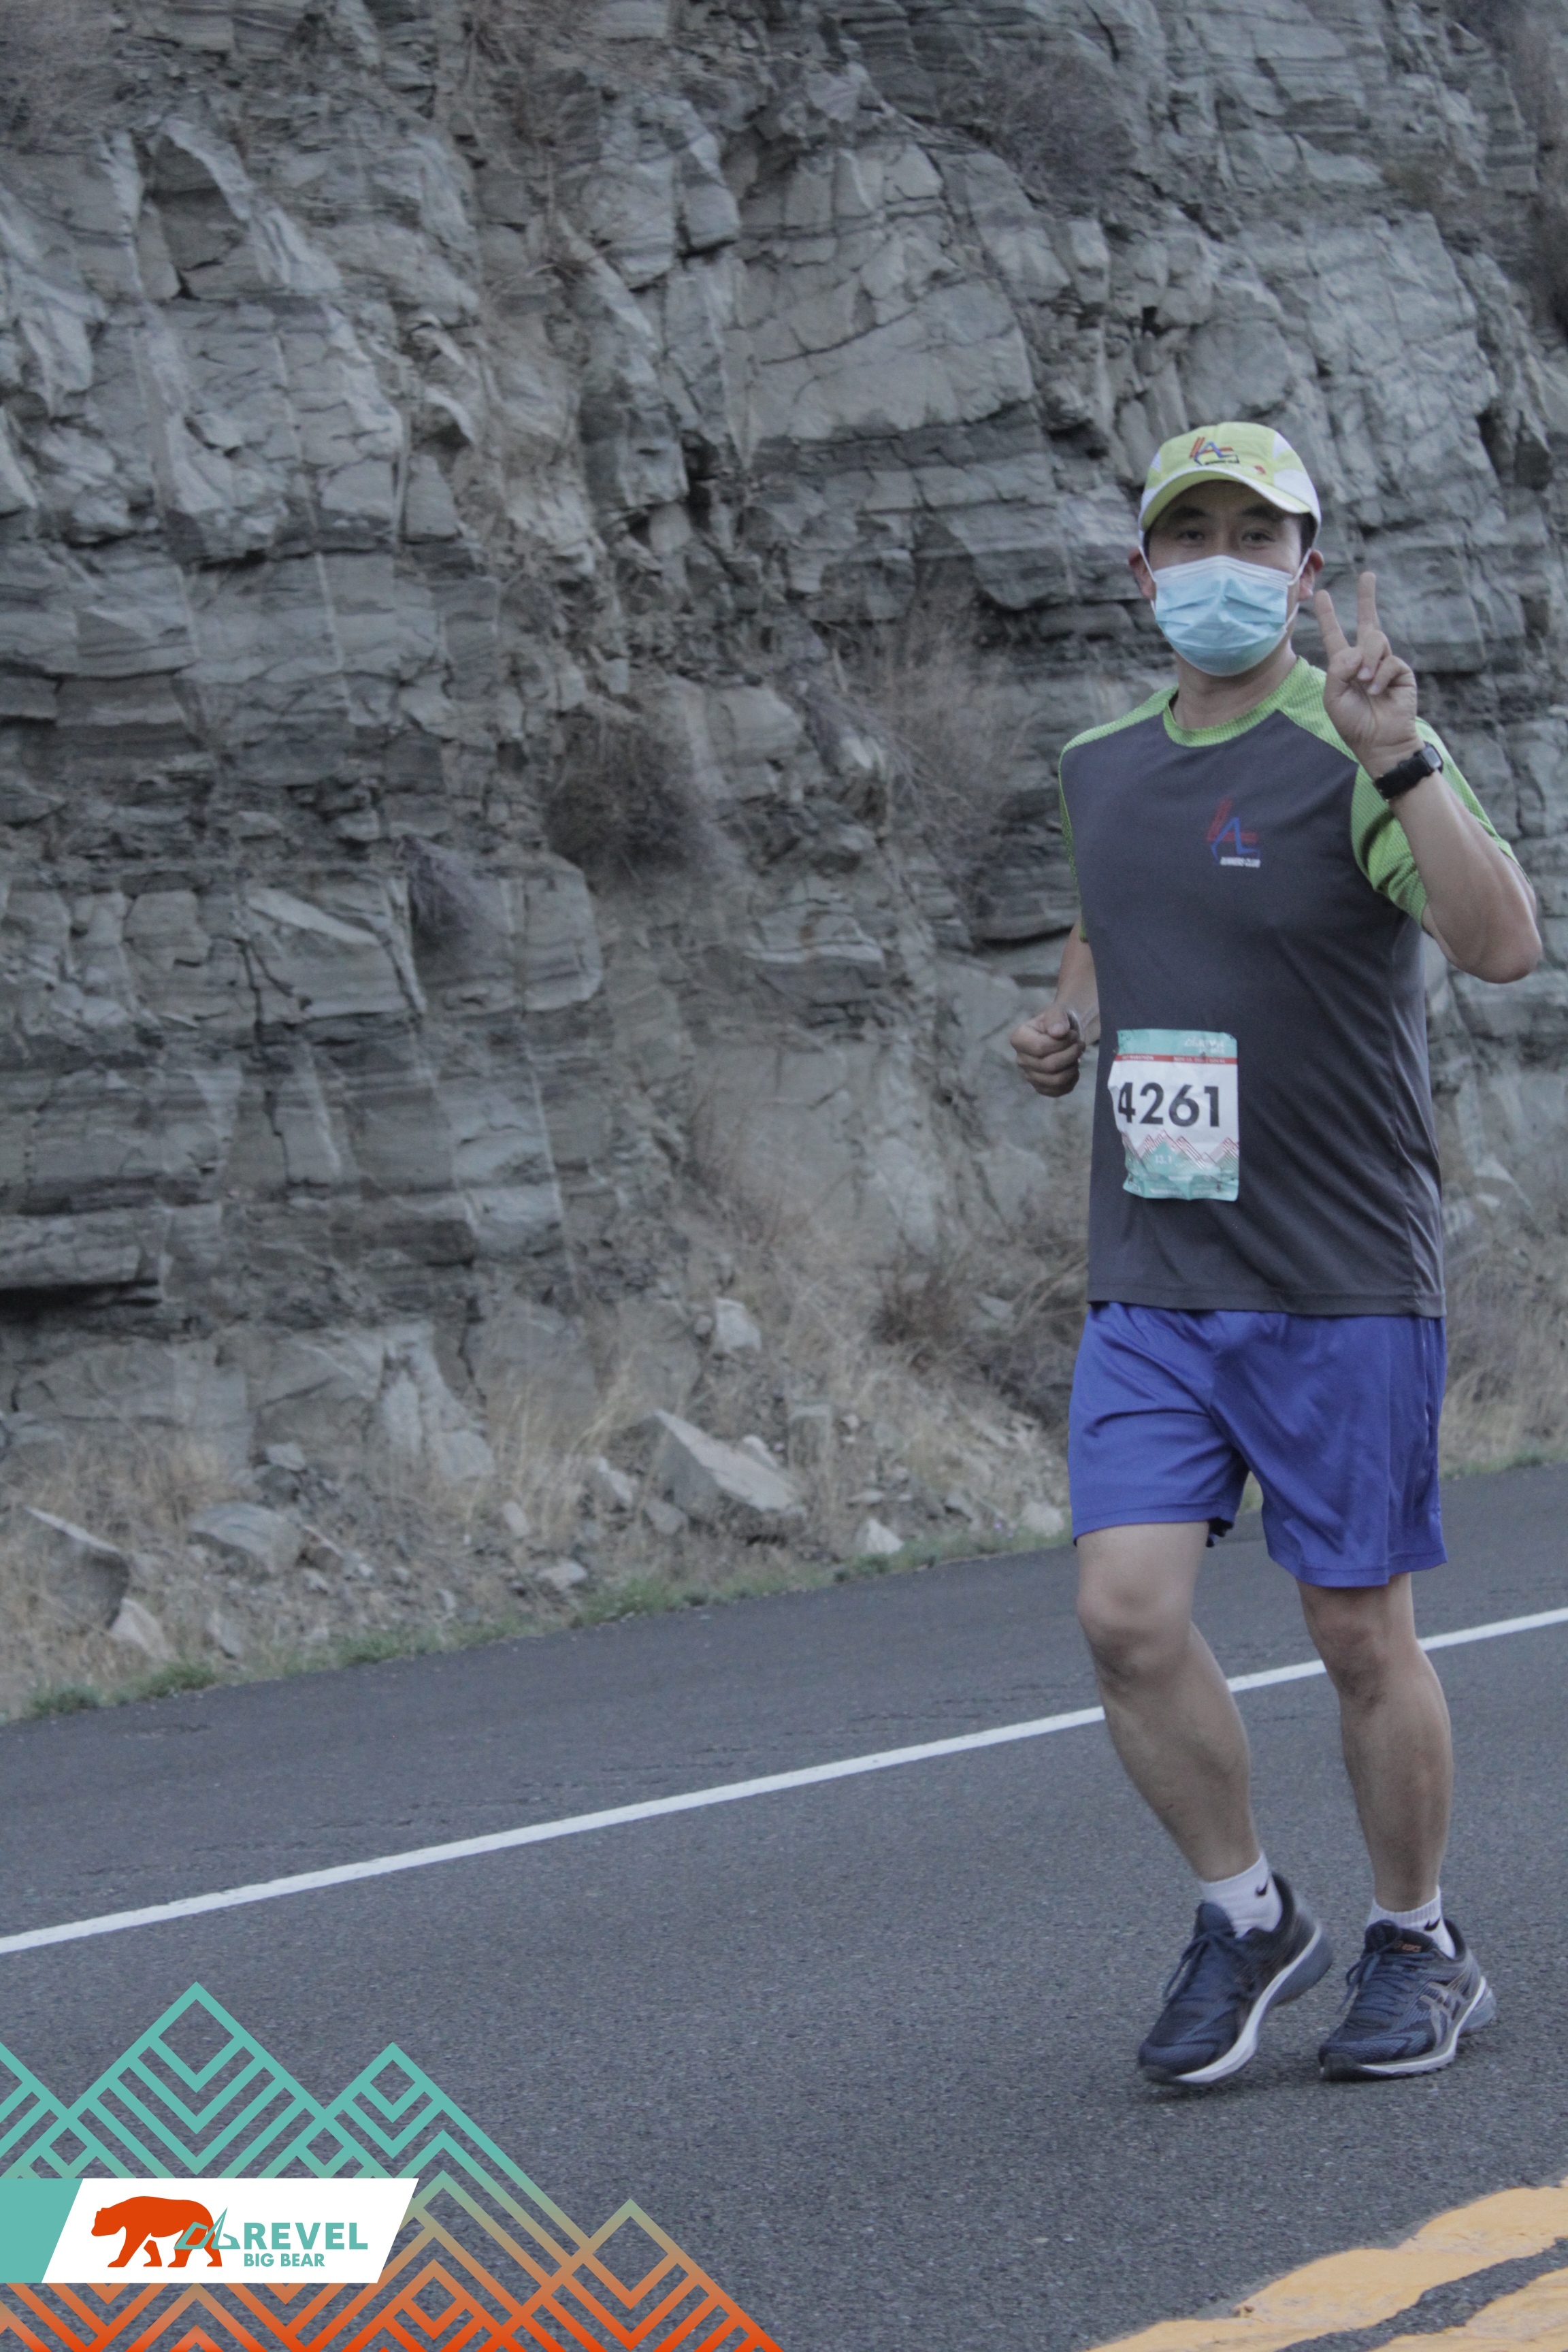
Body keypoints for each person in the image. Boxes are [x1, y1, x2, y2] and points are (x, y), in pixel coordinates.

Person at [1010, 421, 1541, 2086]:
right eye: (1192, 534)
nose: (1222, 562)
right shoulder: (1101, 762)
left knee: (1359, 1635)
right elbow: (1116, 910)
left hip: (1338, 1274)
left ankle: (1420, 1940)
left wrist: (1404, 759)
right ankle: (1247, 1916)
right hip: (1157, 1276)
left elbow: (1503, 944)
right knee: (1124, 1616)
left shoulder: (1355, 743)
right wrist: (1065, 1020)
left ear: (1306, 567)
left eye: (1258, 534)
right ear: (1142, 570)